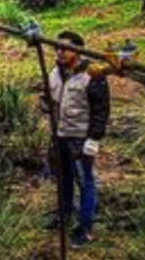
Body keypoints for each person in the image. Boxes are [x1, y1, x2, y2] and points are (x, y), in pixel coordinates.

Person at [46, 30, 110, 247]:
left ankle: (85, 227)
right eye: (57, 48)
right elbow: (51, 98)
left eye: (65, 48)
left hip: (80, 137)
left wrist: (94, 139)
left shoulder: (92, 75)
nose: (60, 52)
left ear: (78, 51)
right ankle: (63, 216)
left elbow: (101, 110)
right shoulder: (56, 73)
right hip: (61, 134)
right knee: (63, 177)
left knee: (85, 181)